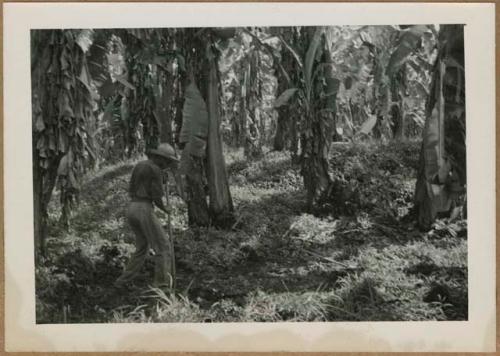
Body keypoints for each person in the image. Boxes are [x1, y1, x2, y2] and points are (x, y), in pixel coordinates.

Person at [115, 143, 179, 289]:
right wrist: (165, 208)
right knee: (163, 247)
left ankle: (123, 281)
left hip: (132, 207)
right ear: (160, 158)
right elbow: (156, 196)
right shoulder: (156, 169)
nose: (167, 165)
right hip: (143, 208)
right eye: (167, 161)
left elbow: (132, 188)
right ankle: (162, 286)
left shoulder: (140, 165)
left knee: (142, 248)